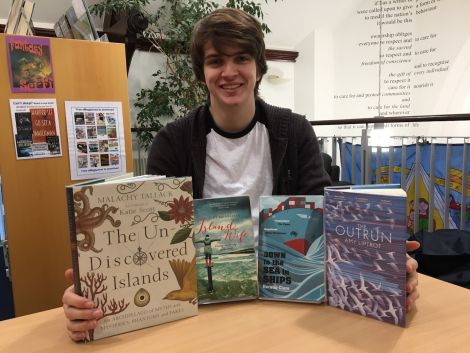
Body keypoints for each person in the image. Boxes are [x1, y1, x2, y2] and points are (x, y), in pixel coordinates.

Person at [62, 7, 419, 341]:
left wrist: (382, 268)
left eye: (241, 58)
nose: (229, 72)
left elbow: (326, 224)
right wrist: (96, 296)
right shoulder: (172, 142)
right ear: (202, 72)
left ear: (259, 67)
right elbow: (148, 241)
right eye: (216, 60)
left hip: (288, 298)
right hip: (200, 308)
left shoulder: (294, 132)